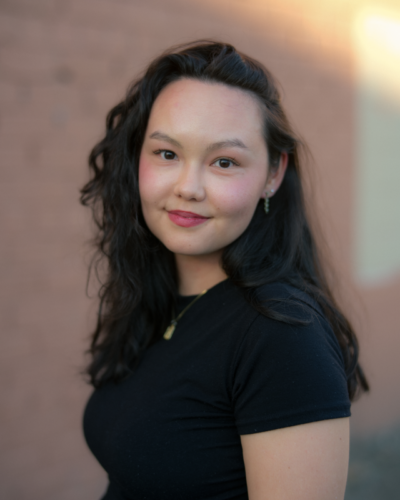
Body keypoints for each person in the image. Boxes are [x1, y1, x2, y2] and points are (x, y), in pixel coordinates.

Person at [81, 41, 368, 500]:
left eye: (224, 162)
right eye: (167, 154)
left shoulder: (282, 336)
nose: (188, 188)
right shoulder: (159, 299)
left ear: (273, 173)